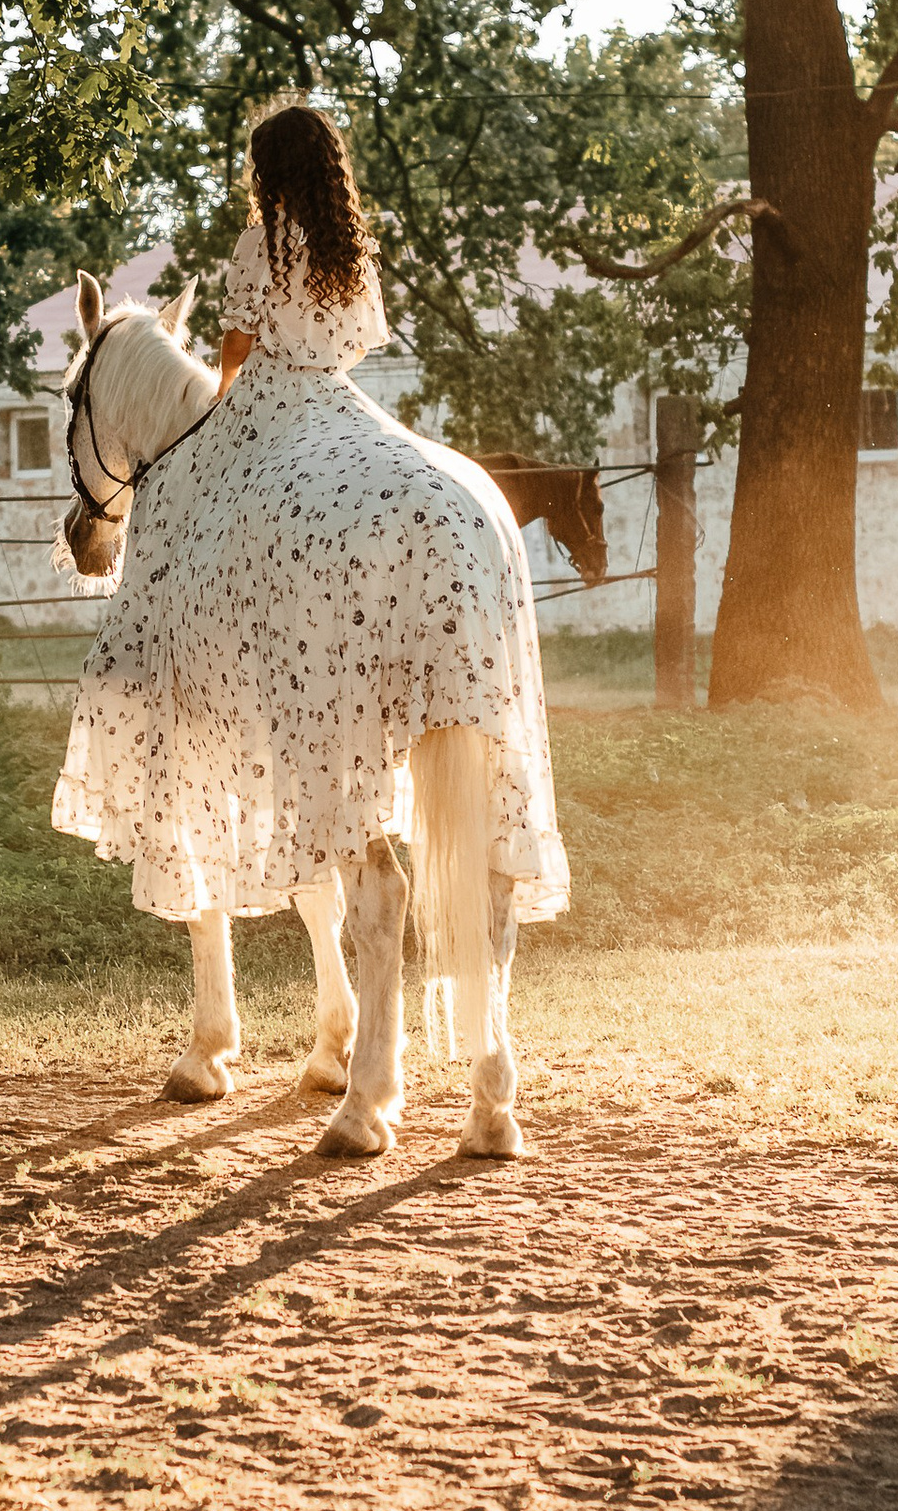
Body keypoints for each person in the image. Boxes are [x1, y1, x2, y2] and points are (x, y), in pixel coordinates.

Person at [52, 101, 569, 935]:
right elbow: (360, 343)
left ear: (269, 173)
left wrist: (225, 415)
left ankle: (165, 692)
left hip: (266, 411)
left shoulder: (261, 241)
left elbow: (233, 354)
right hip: (342, 403)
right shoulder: (346, 249)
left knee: (155, 593)